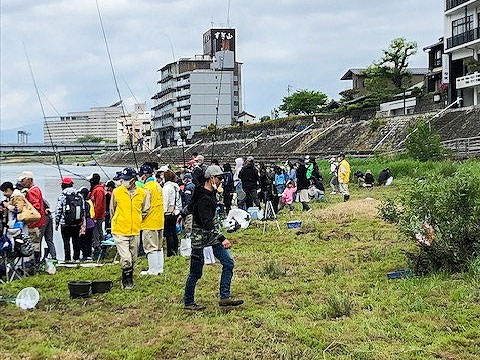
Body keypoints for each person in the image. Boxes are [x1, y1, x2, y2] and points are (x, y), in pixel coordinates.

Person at [183, 165, 244, 311]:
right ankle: (189, 302)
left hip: (212, 237)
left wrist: (184, 212)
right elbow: (207, 223)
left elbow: (190, 208)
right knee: (196, 272)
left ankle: (225, 296)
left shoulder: (209, 193)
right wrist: (222, 238)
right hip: (200, 238)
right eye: (219, 178)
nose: (221, 181)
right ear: (211, 179)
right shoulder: (203, 197)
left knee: (228, 262)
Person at [111, 167, 149, 289]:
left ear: (133, 180)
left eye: (126, 179)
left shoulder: (142, 193)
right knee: (126, 258)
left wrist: (138, 219)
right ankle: (126, 282)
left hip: (135, 230)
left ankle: (129, 276)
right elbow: (112, 209)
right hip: (120, 229)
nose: (123, 181)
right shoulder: (117, 192)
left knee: (133, 258)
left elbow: (145, 210)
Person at [139, 164, 165, 275]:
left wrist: (140, 217)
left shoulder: (147, 188)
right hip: (159, 220)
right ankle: (159, 268)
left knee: (150, 247)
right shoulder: (158, 186)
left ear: (144, 176)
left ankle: (153, 270)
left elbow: (145, 207)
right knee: (159, 246)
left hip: (149, 222)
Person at [18, 171, 46, 264]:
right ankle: (36, 263)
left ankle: (34, 264)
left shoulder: (32, 191)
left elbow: (35, 207)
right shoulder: (36, 189)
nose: (22, 182)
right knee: (36, 244)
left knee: (34, 244)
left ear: (29, 180)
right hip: (39, 222)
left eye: (23, 180)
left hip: (34, 224)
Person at [55, 177, 84, 262]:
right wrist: (82, 222)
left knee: (66, 242)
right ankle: (76, 258)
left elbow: (58, 210)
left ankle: (67, 258)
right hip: (77, 222)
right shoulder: (79, 195)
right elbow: (83, 209)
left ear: (63, 185)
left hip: (65, 223)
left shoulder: (62, 195)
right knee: (76, 241)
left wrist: (57, 223)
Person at [163, 169, 182, 257]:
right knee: (174, 232)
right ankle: (175, 249)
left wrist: (163, 212)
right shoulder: (176, 187)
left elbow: (165, 201)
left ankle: (170, 252)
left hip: (168, 213)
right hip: (176, 211)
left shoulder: (166, 188)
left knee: (168, 233)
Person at [88, 173, 106, 260]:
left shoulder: (98, 190)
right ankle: (99, 249)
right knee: (97, 233)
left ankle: (99, 251)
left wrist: (95, 217)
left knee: (96, 233)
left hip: (97, 217)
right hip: (96, 216)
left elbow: (98, 205)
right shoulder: (96, 189)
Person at [78, 187, 95, 260]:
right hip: (91, 223)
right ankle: (89, 255)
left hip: (85, 225)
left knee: (82, 240)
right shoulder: (90, 202)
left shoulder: (82, 203)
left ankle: (85, 255)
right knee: (89, 241)